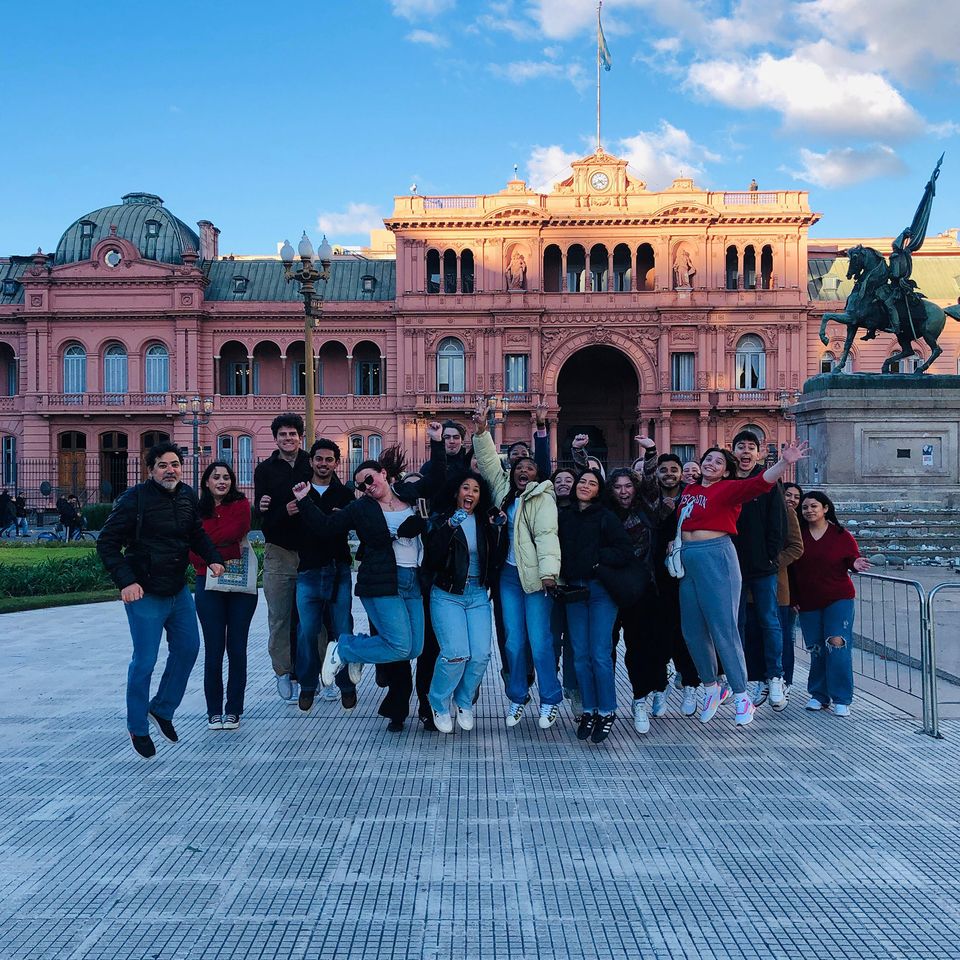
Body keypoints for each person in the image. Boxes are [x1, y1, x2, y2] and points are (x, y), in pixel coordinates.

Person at [293, 425, 445, 732]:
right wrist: (305, 501)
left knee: (414, 648)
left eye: (370, 478)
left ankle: (360, 648)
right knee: (400, 647)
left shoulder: (408, 495)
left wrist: (437, 442)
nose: (367, 485)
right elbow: (326, 527)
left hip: (412, 581)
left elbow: (438, 480)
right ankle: (345, 650)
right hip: (381, 582)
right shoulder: (360, 508)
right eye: (361, 483)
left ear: (384, 474)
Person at [97, 442, 224, 758]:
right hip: (144, 592)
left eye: (176, 464)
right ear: (150, 469)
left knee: (189, 648)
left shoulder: (186, 496)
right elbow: (107, 543)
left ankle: (162, 709)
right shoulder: (133, 500)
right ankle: (138, 726)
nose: (172, 470)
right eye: (164, 465)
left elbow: (196, 533)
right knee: (145, 661)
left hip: (177, 590)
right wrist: (126, 581)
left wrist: (213, 558)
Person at [674, 440, 808, 728]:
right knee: (692, 630)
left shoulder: (730, 489)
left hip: (717, 556)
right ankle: (711, 687)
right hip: (688, 560)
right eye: (707, 460)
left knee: (724, 629)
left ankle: (740, 695)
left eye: (718, 462)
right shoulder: (690, 491)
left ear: (726, 471)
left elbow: (761, 483)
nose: (711, 464)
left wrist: (784, 463)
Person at [472, 401, 562, 729]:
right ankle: (517, 697)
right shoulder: (503, 490)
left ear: (538, 474)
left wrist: (550, 573)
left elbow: (548, 535)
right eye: (519, 468)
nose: (524, 471)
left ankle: (550, 699)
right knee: (513, 641)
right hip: (508, 576)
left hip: (537, 577)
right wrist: (481, 431)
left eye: (530, 468)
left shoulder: (543, 495)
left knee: (540, 641)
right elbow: (486, 461)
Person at [560, 468, 634, 742]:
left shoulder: (606, 517)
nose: (585, 486)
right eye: (582, 482)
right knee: (580, 654)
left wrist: (596, 561)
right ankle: (589, 709)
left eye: (592, 483)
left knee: (600, 653)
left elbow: (625, 550)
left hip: (601, 590)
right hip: (573, 590)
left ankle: (607, 710)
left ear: (598, 490)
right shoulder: (564, 516)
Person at [424, 473, 502, 732]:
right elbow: (432, 557)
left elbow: (496, 556)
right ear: (456, 492)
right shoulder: (441, 518)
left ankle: (464, 700)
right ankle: (437, 700)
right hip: (448, 593)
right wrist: (448, 527)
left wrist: (497, 528)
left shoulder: (484, 520)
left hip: (477, 593)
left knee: (481, 654)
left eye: (476, 489)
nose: (470, 493)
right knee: (456, 653)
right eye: (465, 487)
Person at [190, 461, 257, 731]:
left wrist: (207, 543)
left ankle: (234, 710)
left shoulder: (241, 505)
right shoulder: (195, 510)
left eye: (226, 477)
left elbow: (235, 532)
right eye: (216, 477)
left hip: (240, 588)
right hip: (207, 584)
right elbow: (192, 550)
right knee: (214, 649)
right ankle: (213, 711)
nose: (222, 481)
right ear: (206, 482)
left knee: (237, 648)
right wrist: (216, 546)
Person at [791, 491, 870, 715]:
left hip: (839, 598)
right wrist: (794, 598)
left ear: (825, 508)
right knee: (816, 648)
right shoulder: (798, 535)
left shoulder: (841, 535)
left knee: (837, 644)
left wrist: (856, 563)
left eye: (814, 506)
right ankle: (819, 695)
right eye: (805, 507)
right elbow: (791, 570)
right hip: (807, 601)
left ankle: (842, 697)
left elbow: (851, 559)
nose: (809, 511)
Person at [293, 439, 357, 713]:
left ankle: (346, 685)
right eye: (318, 458)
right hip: (308, 570)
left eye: (329, 459)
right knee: (306, 631)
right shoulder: (297, 491)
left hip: (338, 569)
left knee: (342, 629)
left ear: (337, 463)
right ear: (311, 461)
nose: (323, 463)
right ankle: (307, 685)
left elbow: (331, 529)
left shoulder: (345, 495)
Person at [254, 413, 313, 703]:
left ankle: (309, 673)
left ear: (300, 436)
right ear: (275, 438)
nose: (288, 439)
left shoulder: (312, 463)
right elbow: (261, 513)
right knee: (279, 616)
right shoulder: (265, 469)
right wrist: (277, 510)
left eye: (292, 434)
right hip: (278, 549)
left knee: (312, 617)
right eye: (283, 434)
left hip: (310, 549)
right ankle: (282, 671)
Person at [731, 430, 788, 711]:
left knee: (769, 621)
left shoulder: (768, 482)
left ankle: (775, 676)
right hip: (732, 567)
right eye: (740, 446)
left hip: (762, 566)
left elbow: (778, 524)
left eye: (750, 447)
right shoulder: (727, 482)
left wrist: (770, 558)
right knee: (736, 624)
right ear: (733, 451)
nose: (745, 451)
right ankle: (743, 677)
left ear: (759, 452)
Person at [649, 453, 703, 716]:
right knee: (657, 636)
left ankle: (691, 684)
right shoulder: (647, 498)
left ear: (682, 473)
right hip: (654, 576)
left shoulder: (692, 498)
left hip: (685, 574)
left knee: (686, 633)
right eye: (663, 469)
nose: (669, 473)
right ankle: (659, 688)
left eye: (674, 469)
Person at [779, 482, 805, 694]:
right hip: (779, 586)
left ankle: (785, 680)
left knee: (787, 637)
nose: (793, 499)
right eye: (788, 495)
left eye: (797, 497)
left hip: (790, 591)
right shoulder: (779, 516)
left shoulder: (799, 523)